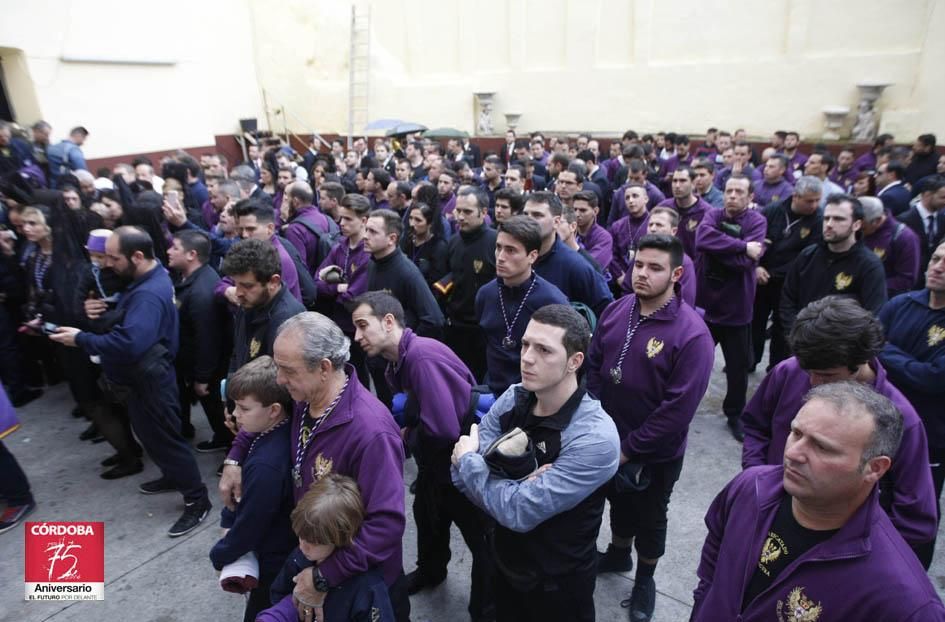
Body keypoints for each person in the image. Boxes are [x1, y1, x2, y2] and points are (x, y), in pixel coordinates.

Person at [693, 382, 945, 621]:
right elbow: (713, 562)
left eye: (822, 448)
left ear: (875, 468)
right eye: (796, 433)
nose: (792, 453)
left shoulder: (904, 601)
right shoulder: (751, 487)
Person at [220, 312, 410, 621]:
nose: (279, 380)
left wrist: (324, 577)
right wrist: (235, 457)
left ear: (323, 368)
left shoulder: (372, 432)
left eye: (287, 370)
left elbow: (385, 526)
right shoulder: (302, 393)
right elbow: (263, 413)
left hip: (361, 586)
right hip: (309, 555)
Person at [451, 304, 620, 622]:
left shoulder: (596, 438)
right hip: (499, 563)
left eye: (544, 350)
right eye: (526, 344)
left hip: (555, 588)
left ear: (575, 361)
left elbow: (516, 511)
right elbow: (457, 475)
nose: (527, 357)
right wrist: (517, 485)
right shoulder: (515, 396)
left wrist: (476, 465)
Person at [742, 296, 937, 566]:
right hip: (769, 519)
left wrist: (852, 549)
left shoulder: (903, 420)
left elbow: (916, 520)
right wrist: (758, 482)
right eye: (807, 370)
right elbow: (755, 425)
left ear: (862, 360)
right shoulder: (789, 371)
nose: (813, 383)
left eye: (827, 375)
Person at [49, 226, 211, 537]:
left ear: (137, 256)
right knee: (151, 437)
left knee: (168, 441)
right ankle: (173, 477)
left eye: (113, 258)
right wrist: (101, 313)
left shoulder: (148, 293)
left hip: (151, 380)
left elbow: (130, 342)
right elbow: (131, 321)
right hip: (139, 380)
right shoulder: (145, 280)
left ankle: (197, 500)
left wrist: (81, 338)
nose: (107, 264)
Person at [587, 234, 714, 622]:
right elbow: (593, 364)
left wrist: (629, 448)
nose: (642, 274)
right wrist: (591, 418)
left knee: (651, 515)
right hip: (608, 436)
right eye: (638, 264)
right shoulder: (616, 309)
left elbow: (677, 410)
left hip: (655, 453)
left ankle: (645, 579)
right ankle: (618, 552)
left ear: (676, 274)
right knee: (618, 501)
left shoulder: (692, 335)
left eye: (654, 268)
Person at [351, 292, 494, 621]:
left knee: (482, 542)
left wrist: (405, 435)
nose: (357, 336)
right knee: (428, 518)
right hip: (436, 464)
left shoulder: (420, 357)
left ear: (388, 322)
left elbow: (442, 427)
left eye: (362, 326)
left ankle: (485, 609)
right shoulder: (398, 358)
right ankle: (431, 572)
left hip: (459, 463)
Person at [209, 356, 296, 622]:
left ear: (274, 410)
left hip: (274, 561)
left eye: (244, 408)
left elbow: (252, 524)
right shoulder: (274, 432)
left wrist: (221, 552)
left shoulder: (266, 465)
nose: (235, 415)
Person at [257, 474, 395, 622]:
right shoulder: (300, 557)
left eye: (313, 542)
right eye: (300, 536)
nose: (302, 546)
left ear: (341, 537)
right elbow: (279, 593)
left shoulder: (367, 586)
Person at [879, 241, 945, 534]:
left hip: (931, 434)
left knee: (915, 509)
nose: (938, 267)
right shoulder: (900, 304)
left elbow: (934, 378)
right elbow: (870, 346)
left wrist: (888, 352)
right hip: (881, 423)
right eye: (936, 258)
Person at [696, 174, 767, 441]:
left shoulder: (757, 221)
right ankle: (681, 405)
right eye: (728, 191)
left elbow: (745, 264)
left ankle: (735, 415)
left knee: (738, 369)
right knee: (693, 362)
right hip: (706, 307)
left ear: (750, 198)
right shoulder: (712, 215)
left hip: (737, 309)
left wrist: (720, 250)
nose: (732, 196)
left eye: (739, 192)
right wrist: (740, 246)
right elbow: (702, 240)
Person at [476, 216, 568, 397]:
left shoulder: (552, 301)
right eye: (498, 248)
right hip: (492, 391)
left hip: (534, 397)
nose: (500, 257)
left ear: (532, 256)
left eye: (511, 250)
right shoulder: (485, 294)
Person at [780, 194, 887, 340]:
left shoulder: (869, 265)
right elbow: (788, 298)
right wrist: (796, 333)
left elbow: (873, 314)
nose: (829, 224)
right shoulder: (808, 255)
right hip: (798, 341)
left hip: (839, 350)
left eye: (838, 219)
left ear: (856, 225)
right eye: (826, 218)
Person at [166, 230, 232, 451]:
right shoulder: (192, 279)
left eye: (174, 247)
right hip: (199, 365)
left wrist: (203, 377)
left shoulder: (201, 292)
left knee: (217, 407)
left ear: (191, 254)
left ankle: (229, 447)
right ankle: (222, 438)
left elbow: (208, 339)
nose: (169, 251)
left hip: (210, 370)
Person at [752, 177, 823, 371]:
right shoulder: (773, 210)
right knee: (755, 321)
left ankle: (776, 367)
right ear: (795, 196)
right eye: (810, 200)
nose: (815, 205)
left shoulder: (819, 220)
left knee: (782, 328)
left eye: (818, 200)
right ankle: (751, 360)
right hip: (762, 278)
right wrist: (756, 266)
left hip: (790, 283)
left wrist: (778, 273)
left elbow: (809, 254)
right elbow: (756, 240)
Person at [435, 187, 497, 381]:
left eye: (467, 212)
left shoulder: (495, 242)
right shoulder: (453, 242)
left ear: (484, 212)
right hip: (455, 327)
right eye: (458, 211)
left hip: (483, 330)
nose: (460, 217)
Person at [524, 192, 613, 316]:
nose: (529, 220)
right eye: (525, 214)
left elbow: (606, 310)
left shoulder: (576, 265)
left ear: (556, 222)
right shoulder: (517, 256)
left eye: (537, 215)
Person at [859, 196, 921, 298]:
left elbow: (906, 280)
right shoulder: (855, 229)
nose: (858, 230)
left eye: (863, 228)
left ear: (878, 220)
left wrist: (869, 285)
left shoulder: (905, 237)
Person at [656, 167, 713, 260]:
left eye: (683, 181)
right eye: (674, 181)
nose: (677, 185)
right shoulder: (663, 208)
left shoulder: (706, 212)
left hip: (695, 269)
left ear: (694, 183)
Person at [608, 184, 650, 293]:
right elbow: (611, 254)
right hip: (620, 281)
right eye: (627, 198)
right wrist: (618, 275)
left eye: (635, 196)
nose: (630, 200)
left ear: (646, 199)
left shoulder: (653, 224)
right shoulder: (617, 226)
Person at [401, 202, 449, 286]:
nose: (412, 224)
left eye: (418, 220)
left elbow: (437, 279)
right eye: (410, 218)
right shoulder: (406, 241)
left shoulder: (438, 246)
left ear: (429, 224)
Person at [572, 191, 613, 271]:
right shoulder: (569, 232)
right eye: (574, 209)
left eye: (583, 210)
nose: (577, 214)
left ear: (595, 211)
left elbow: (591, 267)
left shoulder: (604, 237)